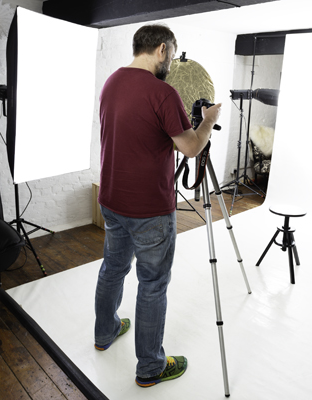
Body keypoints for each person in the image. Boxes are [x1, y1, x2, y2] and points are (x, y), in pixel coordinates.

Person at [94, 24, 221, 388]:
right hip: (149, 208)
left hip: (112, 199)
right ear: (163, 50)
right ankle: (151, 366)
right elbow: (191, 147)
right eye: (171, 54)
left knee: (113, 267)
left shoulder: (111, 82)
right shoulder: (162, 93)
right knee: (152, 284)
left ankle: (105, 332)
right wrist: (208, 122)